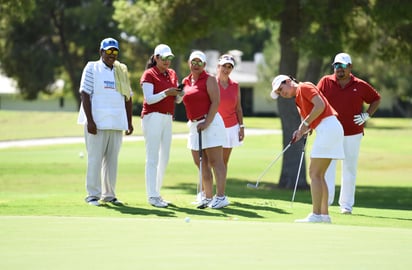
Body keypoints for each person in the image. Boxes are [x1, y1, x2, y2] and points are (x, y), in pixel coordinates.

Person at [270, 75, 344, 223]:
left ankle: (316, 214)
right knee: (319, 174)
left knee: (314, 173)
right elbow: (309, 121)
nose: (281, 93)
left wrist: (305, 123)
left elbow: (320, 105)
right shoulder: (298, 99)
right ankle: (324, 215)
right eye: (278, 92)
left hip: (328, 127)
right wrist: (301, 131)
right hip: (330, 128)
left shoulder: (304, 87)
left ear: (289, 81)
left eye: (281, 88)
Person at [317, 53, 381, 214]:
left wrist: (367, 115)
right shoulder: (325, 82)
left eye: (343, 66)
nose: (339, 69)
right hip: (330, 132)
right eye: (337, 66)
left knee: (349, 169)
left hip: (353, 132)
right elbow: (315, 101)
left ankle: (346, 205)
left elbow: (376, 98)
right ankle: (327, 202)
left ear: (350, 67)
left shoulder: (360, 85)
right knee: (327, 168)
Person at [77, 37, 134, 206]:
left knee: (112, 160)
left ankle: (109, 194)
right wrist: (90, 121)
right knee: (94, 159)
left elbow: (128, 97)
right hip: (97, 122)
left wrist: (129, 122)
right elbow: (84, 94)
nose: (112, 54)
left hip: (116, 122)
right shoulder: (92, 67)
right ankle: (92, 195)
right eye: (108, 51)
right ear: (101, 52)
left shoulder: (121, 70)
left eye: (115, 51)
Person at [181, 50, 229, 209]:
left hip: (211, 123)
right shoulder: (186, 81)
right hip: (195, 125)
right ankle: (208, 197)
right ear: (189, 63)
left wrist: (206, 123)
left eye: (199, 62)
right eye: (193, 62)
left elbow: (216, 103)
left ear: (204, 65)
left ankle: (221, 197)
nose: (196, 65)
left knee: (216, 162)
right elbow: (182, 99)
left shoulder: (209, 79)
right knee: (201, 162)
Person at [140, 44, 183, 208]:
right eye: (164, 58)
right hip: (152, 117)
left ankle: (157, 194)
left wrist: (180, 94)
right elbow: (149, 99)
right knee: (152, 158)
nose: (167, 61)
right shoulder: (149, 74)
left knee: (164, 157)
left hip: (167, 118)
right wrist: (167, 93)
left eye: (169, 58)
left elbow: (177, 100)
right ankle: (152, 196)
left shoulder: (172, 73)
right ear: (156, 57)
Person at [216, 54, 245, 169]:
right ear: (218, 66)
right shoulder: (212, 83)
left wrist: (241, 126)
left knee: (223, 162)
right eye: (224, 66)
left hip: (231, 127)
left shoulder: (235, 85)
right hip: (215, 127)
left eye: (229, 67)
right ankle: (205, 188)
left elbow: (238, 108)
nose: (226, 69)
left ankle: (220, 188)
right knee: (210, 162)